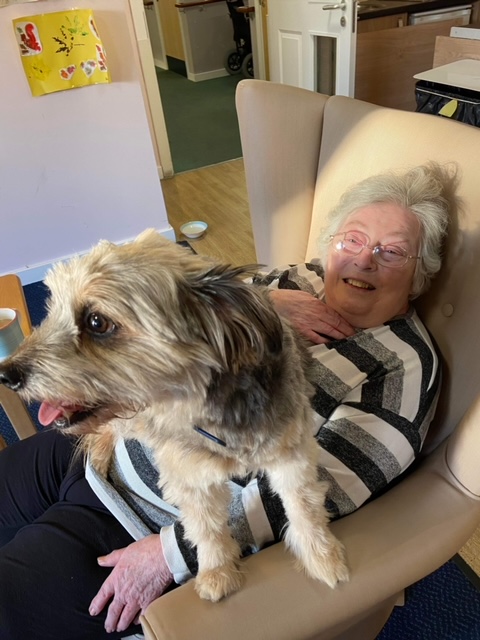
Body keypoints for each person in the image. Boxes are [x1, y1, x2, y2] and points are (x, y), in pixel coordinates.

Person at [0, 162, 458, 640]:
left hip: (141, 520)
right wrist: (269, 304)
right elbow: (203, 292)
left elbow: (320, 486)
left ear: (420, 271)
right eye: (353, 239)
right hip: (101, 444)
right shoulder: (303, 279)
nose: (364, 260)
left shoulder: (403, 365)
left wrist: (169, 554)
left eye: (392, 252)